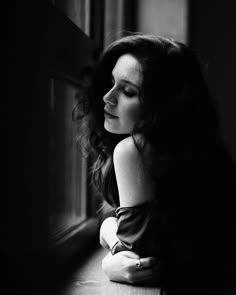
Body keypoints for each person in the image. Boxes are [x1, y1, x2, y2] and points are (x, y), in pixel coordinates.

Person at [74, 33, 236, 294]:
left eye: (128, 91)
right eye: (111, 82)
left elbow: (138, 260)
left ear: (164, 106)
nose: (108, 97)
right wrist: (108, 228)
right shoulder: (197, 152)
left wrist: (110, 250)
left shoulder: (133, 149)